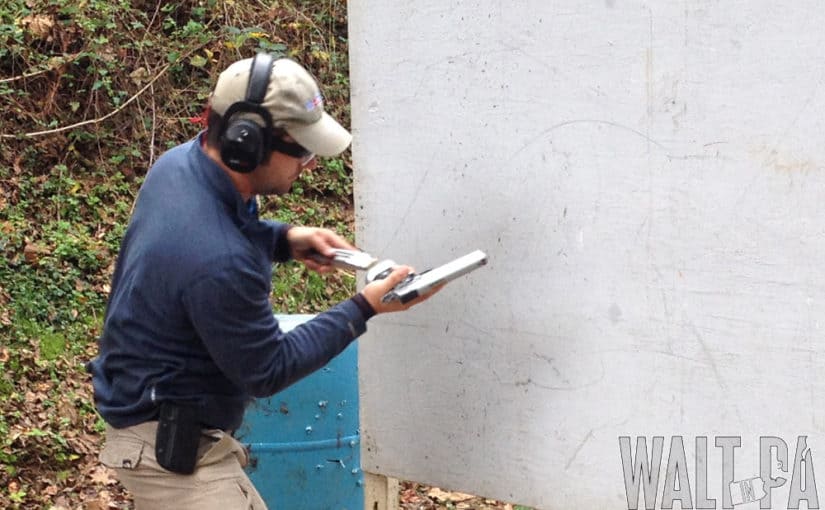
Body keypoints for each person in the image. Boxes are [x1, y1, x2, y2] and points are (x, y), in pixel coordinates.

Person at [87, 53, 439, 509]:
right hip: (170, 454)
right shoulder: (219, 260)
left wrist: (285, 239)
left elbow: (225, 228)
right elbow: (269, 368)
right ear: (247, 142)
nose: (309, 164)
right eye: (301, 149)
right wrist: (365, 307)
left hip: (154, 422)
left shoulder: (178, 169)